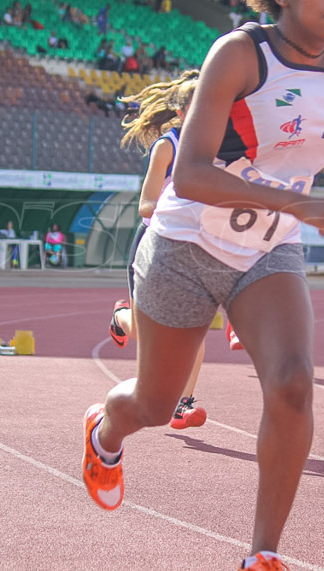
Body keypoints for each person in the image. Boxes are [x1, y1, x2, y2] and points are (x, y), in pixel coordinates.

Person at [80, 0, 324, 571]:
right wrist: (303, 201)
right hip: (185, 248)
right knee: (155, 403)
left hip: (266, 251)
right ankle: (104, 432)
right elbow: (190, 175)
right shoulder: (242, 54)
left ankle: (261, 554)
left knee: (294, 382)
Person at [110, 70, 217, 429]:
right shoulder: (167, 146)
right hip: (155, 244)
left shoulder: (217, 148)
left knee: (194, 328)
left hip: (196, 247)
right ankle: (120, 318)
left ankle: (182, 404)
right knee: (143, 332)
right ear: (182, 112)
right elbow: (145, 205)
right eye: (197, 106)